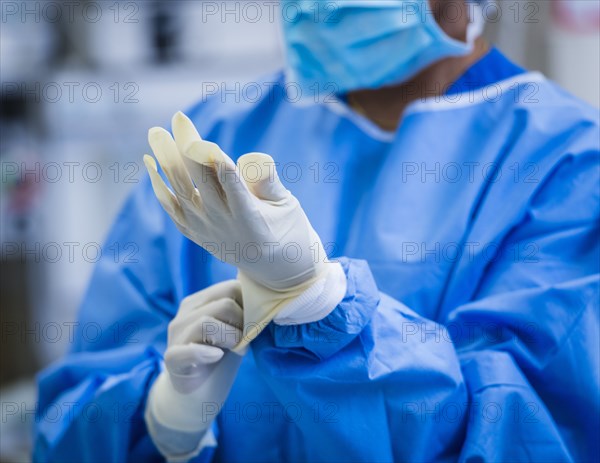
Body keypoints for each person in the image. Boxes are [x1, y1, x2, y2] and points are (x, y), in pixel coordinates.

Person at [35, 1, 599, 462]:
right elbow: (67, 425)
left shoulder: (566, 165)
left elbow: (538, 434)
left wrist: (324, 305)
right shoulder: (218, 136)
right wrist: (165, 421)